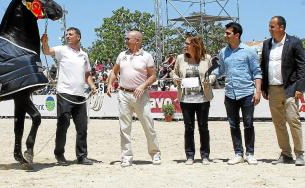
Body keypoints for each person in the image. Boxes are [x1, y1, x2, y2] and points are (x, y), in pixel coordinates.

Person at [41, 27, 97, 166]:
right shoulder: (62, 50)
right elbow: (47, 52)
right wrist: (44, 43)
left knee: (82, 127)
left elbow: (87, 74)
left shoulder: (84, 55)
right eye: (66, 34)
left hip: (80, 95)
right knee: (63, 125)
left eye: (70, 34)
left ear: (78, 37)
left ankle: (82, 156)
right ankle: (59, 155)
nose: (67, 36)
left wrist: (92, 86)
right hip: (64, 93)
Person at [107, 30, 161, 167]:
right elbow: (114, 71)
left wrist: (142, 86)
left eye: (128, 38)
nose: (125, 40)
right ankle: (126, 156)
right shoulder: (122, 55)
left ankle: (155, 153)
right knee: (124, 127)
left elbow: (153, 76)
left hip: (140, 95)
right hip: (123, 93)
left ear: (137, 40)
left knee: (148, 125)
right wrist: (109, 83)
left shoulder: (147, 56)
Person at [260, 16, 305, 166]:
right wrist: (264, 88)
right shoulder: (266, 44)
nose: (269, 29)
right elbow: (263, 67)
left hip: (290, 88)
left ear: (281, 27)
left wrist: (300, 88)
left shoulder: (294, 42)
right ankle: (286, 154)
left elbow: (302, 67)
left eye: (272, 26)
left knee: (293, 120)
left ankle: (300, 154)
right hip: (273, 88)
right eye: (269, 26)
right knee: (278, 123)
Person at [216, 22, 262, 165]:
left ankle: (250, 153)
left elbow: (257, 72)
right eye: (225, 32)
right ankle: (238, 153)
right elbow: (221, 70)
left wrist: (258, 91)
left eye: (228, 33)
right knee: (233, 125)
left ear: (237, 35)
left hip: (247, 93)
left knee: (248, 124)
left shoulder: (249, 51)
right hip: (230, 93)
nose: (225, 35)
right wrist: (211, 75)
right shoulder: (223, 52)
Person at [172, 35, 216, 165]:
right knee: (188, 128)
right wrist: (176, 79)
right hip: (186, 99)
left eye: (187, 44)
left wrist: (210, 79)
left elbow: (213, 73)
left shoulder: (207, 58)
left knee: (203, 127)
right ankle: (190, 155)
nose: (184, 46)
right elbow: (174, 73)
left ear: (195, 45)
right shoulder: (180, 58)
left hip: (203, 98)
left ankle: (205, 155)